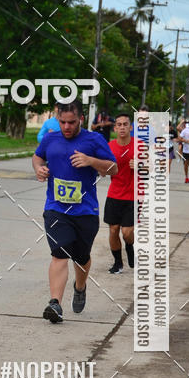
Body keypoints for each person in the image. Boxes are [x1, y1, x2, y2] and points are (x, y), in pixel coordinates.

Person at [32, 99, 117, 323]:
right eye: (63, 122)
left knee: (81, 257)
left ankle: (80, 286)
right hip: (56, 209)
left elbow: (113, 168)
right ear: (57, 118)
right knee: (59, 252)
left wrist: (91, 161)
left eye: (71, 122)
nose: (67, 127)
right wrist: (38, 168)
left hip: (86, 211)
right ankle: (55, 304)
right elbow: (38, 155)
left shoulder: (94, 139)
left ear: (80, 118)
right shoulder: (50, 138)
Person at [103, 112, 135, 273]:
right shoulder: (110, 147)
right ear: (115, 128)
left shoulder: (140, 146)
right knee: (113, 229)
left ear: (130, 127)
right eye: (119, 124)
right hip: (114, 194)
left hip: (133, 196)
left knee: (127, 232)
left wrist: (141, 166)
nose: (122, 127)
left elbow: (154, 168)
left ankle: (130, 246)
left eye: (125, 124)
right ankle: (118, 263)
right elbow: (103, 169)